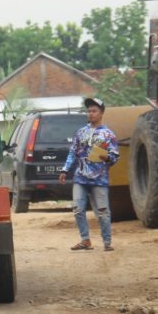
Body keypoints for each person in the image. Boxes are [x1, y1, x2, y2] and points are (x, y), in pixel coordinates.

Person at [58, 97, 119, 252]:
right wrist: (65, 170)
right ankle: (85, 240)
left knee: (103, 211)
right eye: (89, 111)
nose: (91, 114)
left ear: (101, 113)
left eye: (94, 111)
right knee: (78, 209)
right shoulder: (81, 132)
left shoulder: (108, 135)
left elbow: (115, 157)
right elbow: (73, 152)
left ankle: (107, 242)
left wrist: (107, 157)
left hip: (100, 179)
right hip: (80, 177)